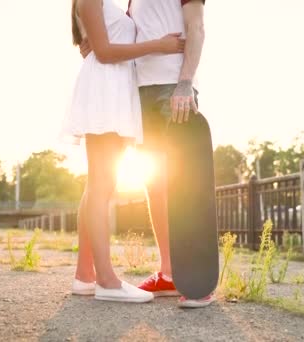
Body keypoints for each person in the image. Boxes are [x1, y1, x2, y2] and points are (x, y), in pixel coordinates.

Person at [80, 0, 211, 308]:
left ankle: (197, 278)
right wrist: (94, 45)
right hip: (136, 91)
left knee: (186, 183)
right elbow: (122, 33)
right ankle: (169, 272)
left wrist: (186, 83)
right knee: (155, 184)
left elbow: (197, 28)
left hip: (171, 88)